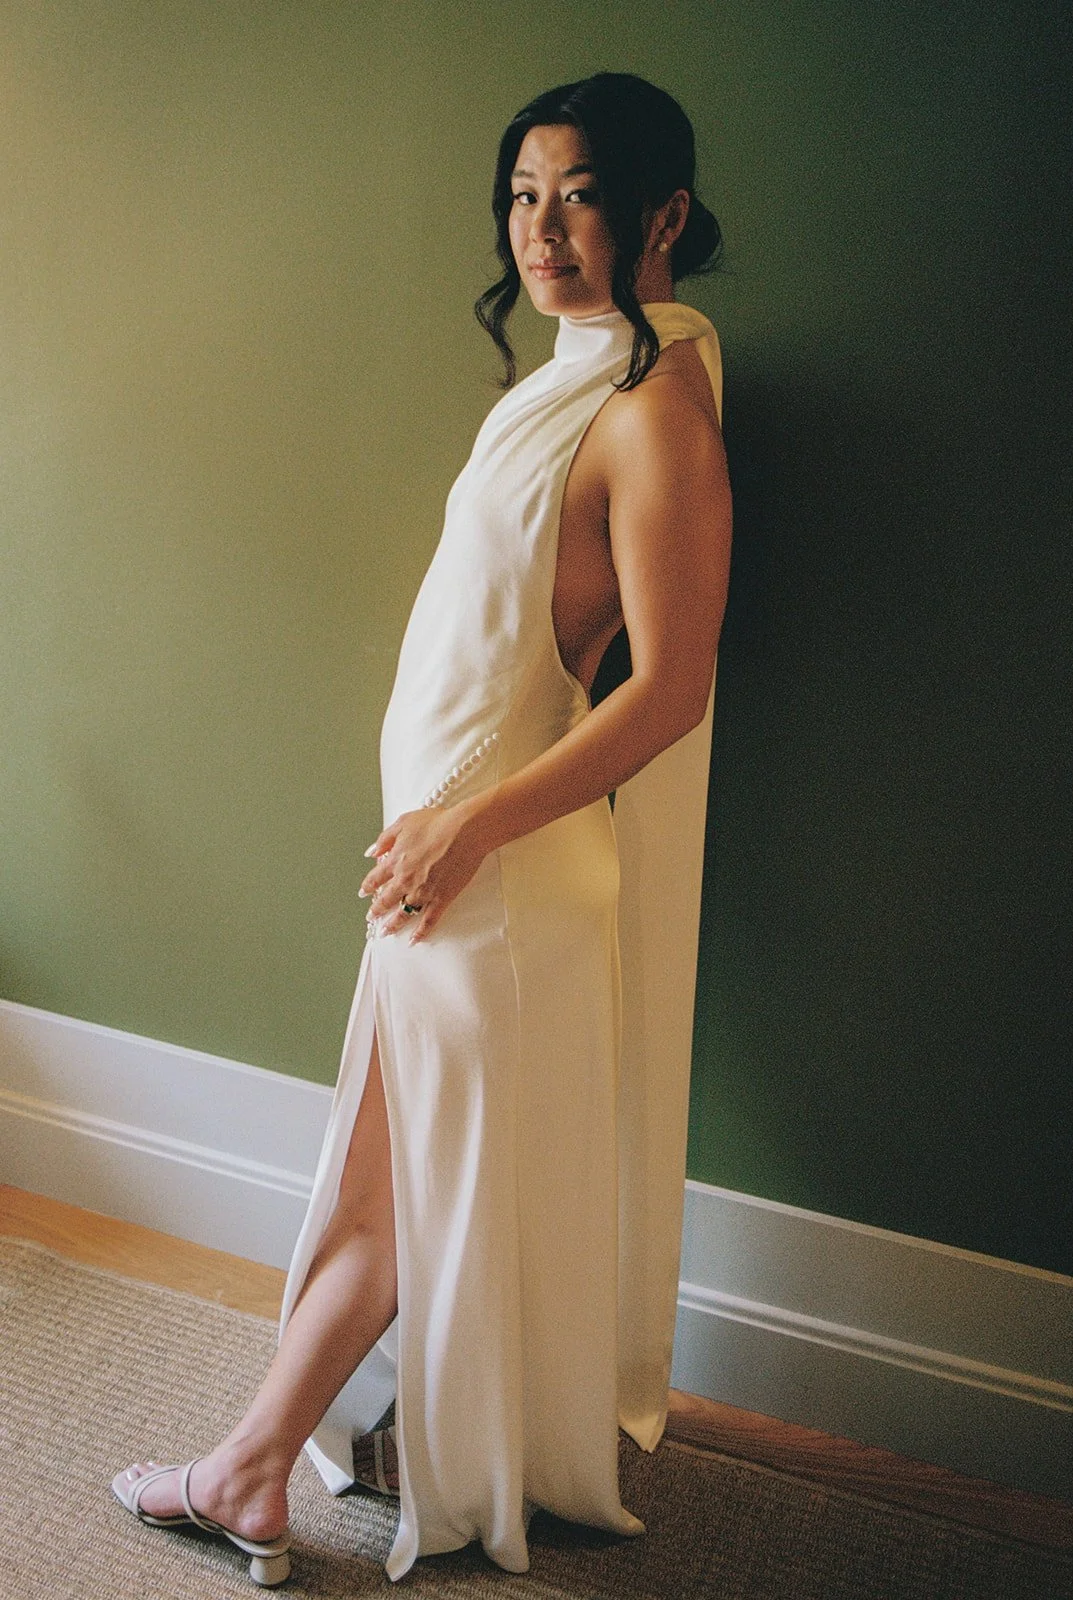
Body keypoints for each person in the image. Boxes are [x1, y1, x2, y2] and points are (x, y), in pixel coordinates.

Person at [111, 71, 732, 1587]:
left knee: (395, 1194)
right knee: (389, 1183)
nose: (540, 229)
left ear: (661, 214)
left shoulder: (657, 412)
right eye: (521, 196)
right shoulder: (583, 370)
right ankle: (274, 1460)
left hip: (500, 878)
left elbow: (671, 691)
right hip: (455, 863)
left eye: (577, 193)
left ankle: (249, 1470)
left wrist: (465, 832)